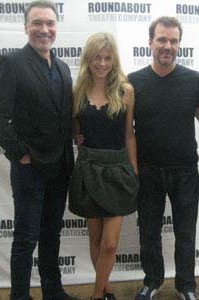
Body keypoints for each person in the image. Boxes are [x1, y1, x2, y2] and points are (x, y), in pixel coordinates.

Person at [0, 1, 79, 300]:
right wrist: (20, 154)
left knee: (52, 234)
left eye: (50, 23)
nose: (44, 29)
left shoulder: (64, 67)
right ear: (26, 27)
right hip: (30, 169)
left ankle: (53, 291)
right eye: (37, 23)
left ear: (56, 27)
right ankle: (20, 296)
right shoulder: (12, 62)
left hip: (60, 167)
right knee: (26, 239)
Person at [128, 16, 199, 300]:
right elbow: (126, 131)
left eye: (174, 41)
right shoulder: (133, 82)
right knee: (149, 232)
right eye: (162, 39)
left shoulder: (194, 80)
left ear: (179, 45)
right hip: (147, 171)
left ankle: (186, 286)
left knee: (186, 234)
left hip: (185, 171)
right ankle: (152, 282)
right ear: (150, 43)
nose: (168, 46)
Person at [68, 33, 138, 300]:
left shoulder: (126, 91)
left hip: (117, 169)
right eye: (97, 57)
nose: (102, 63)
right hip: (88, 168)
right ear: (89, 58)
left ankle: (97, 295)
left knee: (110, 244)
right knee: (95, 240)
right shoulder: (77, 92)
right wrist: (77, 135)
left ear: (114, 60)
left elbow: (129, 134)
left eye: (108, 58)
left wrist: (134, 170)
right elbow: (75, 125)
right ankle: (106, 289)